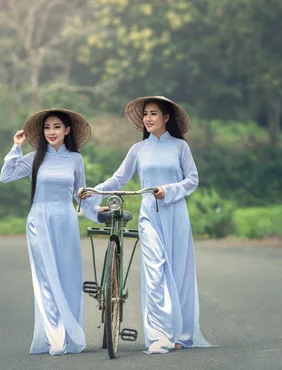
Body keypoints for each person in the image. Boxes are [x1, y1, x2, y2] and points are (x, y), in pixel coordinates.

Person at [81, 96, 215, 354]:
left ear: (166, 118)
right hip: (149, 216)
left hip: (175, 214)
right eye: (145, 114)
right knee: (154, 272)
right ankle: (158, 335)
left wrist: (169, 190)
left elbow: (192, 180)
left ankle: (181, 335)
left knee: (178, 274)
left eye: (154, 113)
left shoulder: (179, 147)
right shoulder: (138, 149)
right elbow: (118, 179)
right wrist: (93, 191)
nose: (148, 118)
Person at [0, 108, 98, 356]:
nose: (51, 132)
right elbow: (6, 175)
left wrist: (98, 212)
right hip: (39, 221)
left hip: (66, 220)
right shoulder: (35, 158)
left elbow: (81, 195)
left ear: (67, 130)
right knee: (46, 280)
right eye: (47, 127)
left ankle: (67, 334)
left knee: (68, 277)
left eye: (56, 127)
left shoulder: (75, 159)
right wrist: (16, 147)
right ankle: (54, 337)